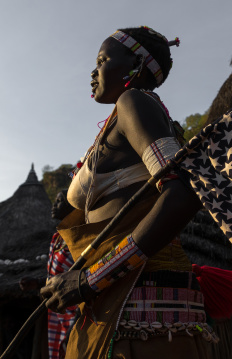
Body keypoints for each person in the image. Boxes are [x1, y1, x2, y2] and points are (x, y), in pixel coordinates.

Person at [39, 26, 216, 359]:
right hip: (124, 305)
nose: (93, 71)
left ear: (134, 63)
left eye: (102, 60)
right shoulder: (123, 120)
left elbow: (183, 193)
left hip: (138, 315)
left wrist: (90, 280)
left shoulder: (133, 101)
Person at [19, 190, 78, 359]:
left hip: (74, 311)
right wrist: (38, 283)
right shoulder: (56, 238)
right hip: (55, 309)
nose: (54, 205)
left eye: (59, 201)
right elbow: (54, 276)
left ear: (72, 206)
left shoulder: (78, 236)